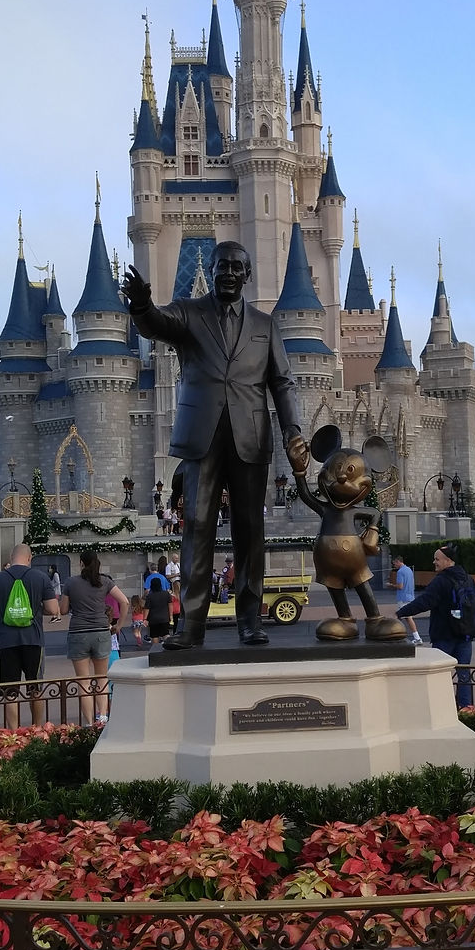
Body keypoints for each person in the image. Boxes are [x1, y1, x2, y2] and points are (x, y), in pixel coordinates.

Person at [124, 240, 304, 649]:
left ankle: (250, 622)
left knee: (250, 532)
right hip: (201, 439)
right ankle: (191, 626)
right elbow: (155, 324)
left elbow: (283, 381)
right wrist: (140, 306)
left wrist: (293, 428)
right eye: (222, 266)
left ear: (247, 275)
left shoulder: (265, 324)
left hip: (250, 438)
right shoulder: (190, 313)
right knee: (198, 530)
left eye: (236, 268)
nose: (227, 273)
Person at [397, 544, 475, 709]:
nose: (434, 562)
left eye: (437, 559)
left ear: (447, 561)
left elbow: (424, 602)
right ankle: (466, 708)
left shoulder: (441, 581)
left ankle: (441, 708)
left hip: (444, 635)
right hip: (465, 635)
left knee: (440, 673)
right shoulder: (468, 578)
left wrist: (401, 612)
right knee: (464, 674)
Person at [0, 544, 59, 729]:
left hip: (7, 641)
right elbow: (52, 609)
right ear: (30, 558)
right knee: (35, 688)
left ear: (11, 556)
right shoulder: (40, 578)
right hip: (34, 639)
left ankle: (14, 733)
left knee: (10, 690)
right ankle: (36, 728)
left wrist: (5, 610)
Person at [59, 549, 129, 728]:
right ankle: (103, 718)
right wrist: (119, 625)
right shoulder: (104, 581)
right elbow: (124, 602)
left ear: (81, 563)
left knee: (83, 681)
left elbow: (64, 609)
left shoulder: (71, 582)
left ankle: (89, 722)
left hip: (79, 632)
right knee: (101, 678)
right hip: (101, 631)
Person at [391, 554, 420, 644]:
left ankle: (417, 637)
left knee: (405, 617)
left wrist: (391, 585)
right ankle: (395, 635)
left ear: (398, 561)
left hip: (403, 597)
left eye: (394, 564)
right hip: (410, 595)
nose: (394, 566)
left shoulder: (400, 572)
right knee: (401, 617)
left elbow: (400, 586)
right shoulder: (409, 570)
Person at [146, 575, 173, 642]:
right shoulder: (166, 594)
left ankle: (155, 649)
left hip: (153, 619)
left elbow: (147, 608)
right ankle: (167, 648)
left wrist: (145, 619)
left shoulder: (150, 596)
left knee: (154, 636)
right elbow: (170, 605)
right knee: (166, 634)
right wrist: (171, 616)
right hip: (164, 618)